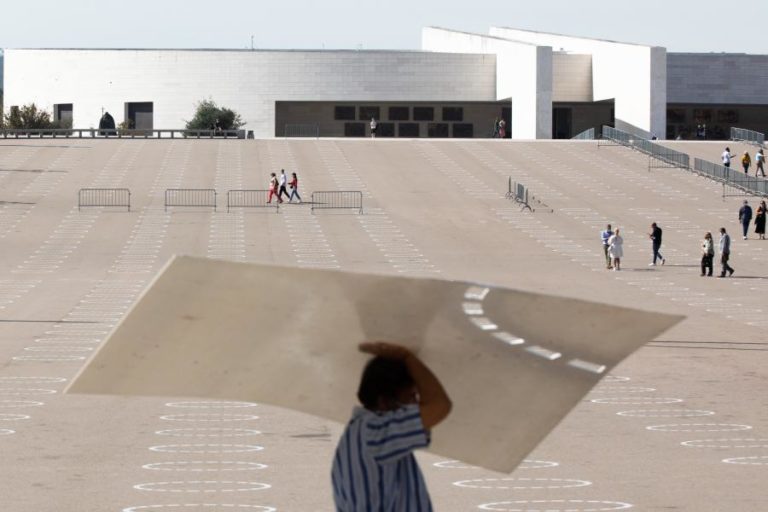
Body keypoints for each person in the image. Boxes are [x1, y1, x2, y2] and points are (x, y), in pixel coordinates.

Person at [331, 341, 452, 511]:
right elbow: (439, 405)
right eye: (411, 397)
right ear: (385, 402)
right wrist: (406, 357)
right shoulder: (377, 433)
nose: (417, 404)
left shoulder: (360, 431)